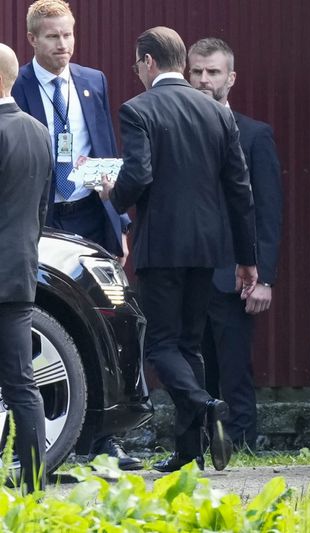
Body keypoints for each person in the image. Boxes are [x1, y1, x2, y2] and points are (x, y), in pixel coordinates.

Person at [100, 26, 258, 473]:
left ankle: (204, 404)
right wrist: (247, 259)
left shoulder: (137, 109)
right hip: (209, 248)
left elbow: (140, 175)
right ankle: (189, 453)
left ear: (149, 62)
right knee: (190, 347)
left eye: (137, 65)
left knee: (161, 347)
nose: (137, 73)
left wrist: (114, 192)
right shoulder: (216, 112)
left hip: (162, 245)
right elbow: (239, 188)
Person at [10, 0, 140, 470]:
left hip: (88, 215)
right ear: (32, 40)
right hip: (41, 220)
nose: (62, 45)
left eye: (67, 35)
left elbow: (101, 145)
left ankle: (104, 441)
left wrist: (118, 220)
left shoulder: (92, 81)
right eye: (52, 37)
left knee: (103, 322)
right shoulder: (16, 85)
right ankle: (42, 433)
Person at [188, 37, 282, 451]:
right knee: (194, 365)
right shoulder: (176, 129)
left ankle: (241, 441)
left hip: (235, 274)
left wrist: (266, 277)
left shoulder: (255, 135)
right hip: (189, 271)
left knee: (234, 366)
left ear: (231, 77)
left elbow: (268, 213)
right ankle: (202, 442)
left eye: (213, 72)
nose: (205, 79)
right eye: (197, 71)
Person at [0, 43, 51, 493]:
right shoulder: (38, 131)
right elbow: (43, 208)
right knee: (21, 381)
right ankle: (35, 482)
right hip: (19, 272)